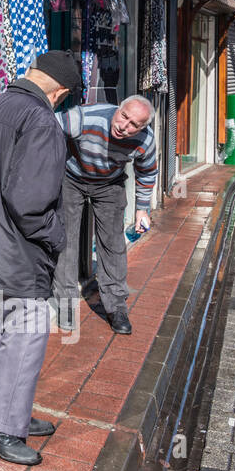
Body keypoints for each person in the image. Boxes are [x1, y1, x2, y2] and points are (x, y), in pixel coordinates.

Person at [0, 50, 82, 466]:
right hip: (18, 253)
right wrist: (57, 237)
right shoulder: (43, 121)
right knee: (25, 337)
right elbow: (28, 202)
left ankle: (9, 413)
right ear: (60, 91)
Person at [52, 95, 158, 335]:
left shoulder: (146, 140)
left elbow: (147, 171)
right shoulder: (86, 116)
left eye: (134, 125)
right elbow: (45, 127)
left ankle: (116, 307)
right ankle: (66, 304)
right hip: (72, 177)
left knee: (112, 244)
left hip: (110, 183)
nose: (124, 126)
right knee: (65, 241)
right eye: (124, 116)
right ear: (117, 109)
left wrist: (142, 209)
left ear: (143, 127)